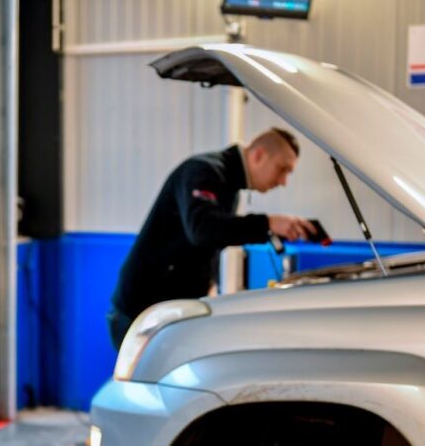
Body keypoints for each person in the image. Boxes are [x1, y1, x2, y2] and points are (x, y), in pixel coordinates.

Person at [107, 127, 316, 350]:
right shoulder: (203, 171)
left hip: (168, 312)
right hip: (142, 314)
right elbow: (203, 230)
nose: (283, 181)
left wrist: (209, 287)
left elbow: (207, 241)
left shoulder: (228, 183)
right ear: (259, 155)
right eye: (282, 169)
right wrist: (268, 223)